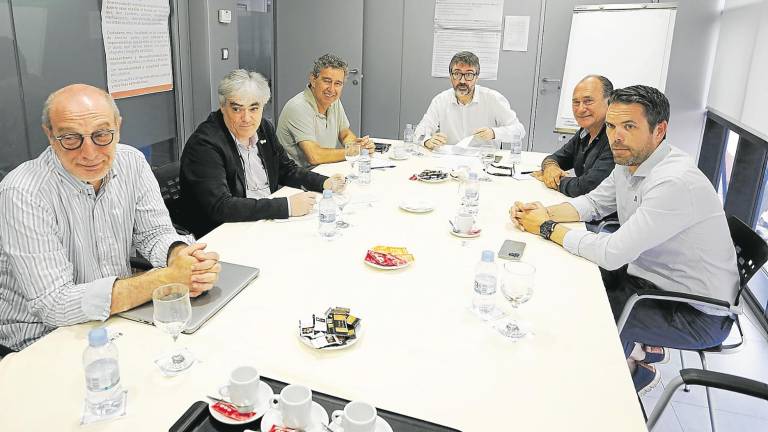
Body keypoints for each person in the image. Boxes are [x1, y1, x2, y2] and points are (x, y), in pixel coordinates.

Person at [509, 85, 738, 395]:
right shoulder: (630, 161)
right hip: (652, 279)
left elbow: (613, 253)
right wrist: (541, 211)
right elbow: (593, 204)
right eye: (613, 126)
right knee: (574, 287)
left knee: (593, 320)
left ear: (660, 130)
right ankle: (637, 352)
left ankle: (628, 377)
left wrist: (547, 228)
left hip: (695, 312)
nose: (616, 136)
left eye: (629, 126)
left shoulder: (673, 182)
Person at [0, 84, 221, 352]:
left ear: (118, 126)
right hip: (41, 342)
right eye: (71, 138)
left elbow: (154, 233)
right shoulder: (22, 193)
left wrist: (182, 258)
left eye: (102, 134)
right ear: (50, 134)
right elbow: (54, 303)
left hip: (115, 320)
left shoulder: (132, 163)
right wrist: (166, 279)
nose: (89, 153)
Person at [181, 69, 346, 238]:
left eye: (254, 108)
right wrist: (286, 206)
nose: (246, 118)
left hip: (264, 221)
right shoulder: (205, 145)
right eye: (237, 109)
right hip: (225, 234)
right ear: (223, 107)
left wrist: (324, 183)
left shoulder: (263, 128)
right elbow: (221, 206)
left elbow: (286, 169)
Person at [276, 53, 374, 168]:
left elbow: (345, 133)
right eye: (327, 81)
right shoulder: (298, 107)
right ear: (313, 80)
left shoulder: (333, 101)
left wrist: (358, 146)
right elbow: (314, 156)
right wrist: (353, 152)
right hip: (297, 179)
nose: (332, 89)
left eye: (338, 83)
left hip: (322, 170)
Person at [414, 51, 525, 151]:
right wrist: (427, 141)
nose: (462, 81)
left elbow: (519, 131)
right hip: (449, 160)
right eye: (457, 74)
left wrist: (494, 133)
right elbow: (419, 132)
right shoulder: (441, 100)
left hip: (484, 161)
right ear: (450, 76)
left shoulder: (492, 98)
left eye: (469, 75)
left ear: (477, 78)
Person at [533, 75, 615, 197]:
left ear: (609, 102)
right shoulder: (585, 132)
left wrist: (555, 181)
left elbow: (586, 187)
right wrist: (550, 168)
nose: (581, 109)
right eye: (576, 102)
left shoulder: (615, 139)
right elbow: (555, 158)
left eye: (588, 101)